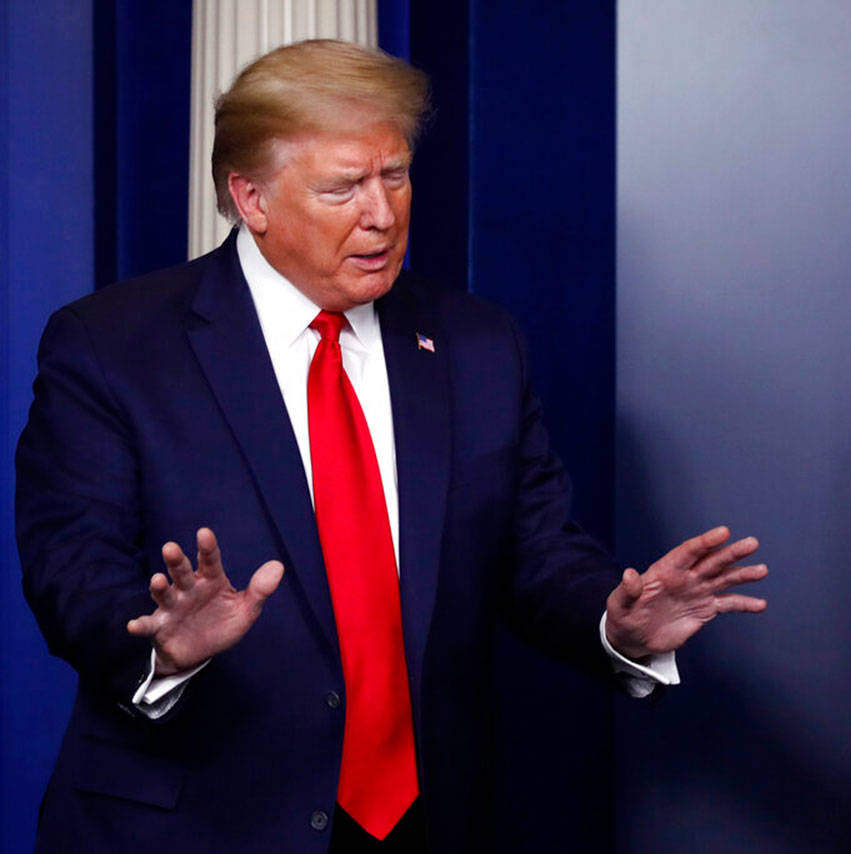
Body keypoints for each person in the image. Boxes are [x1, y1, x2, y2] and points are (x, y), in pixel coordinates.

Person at [15, 40, 767, 853]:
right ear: (251, 197)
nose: (382, 214)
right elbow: (70, 565)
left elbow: (536, 552)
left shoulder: (478, 344)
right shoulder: (113, 344)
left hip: (430, 824)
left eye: (396, 176)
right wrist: (160, 643)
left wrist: (616, 626)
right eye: (343, 187)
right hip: (192, 824)